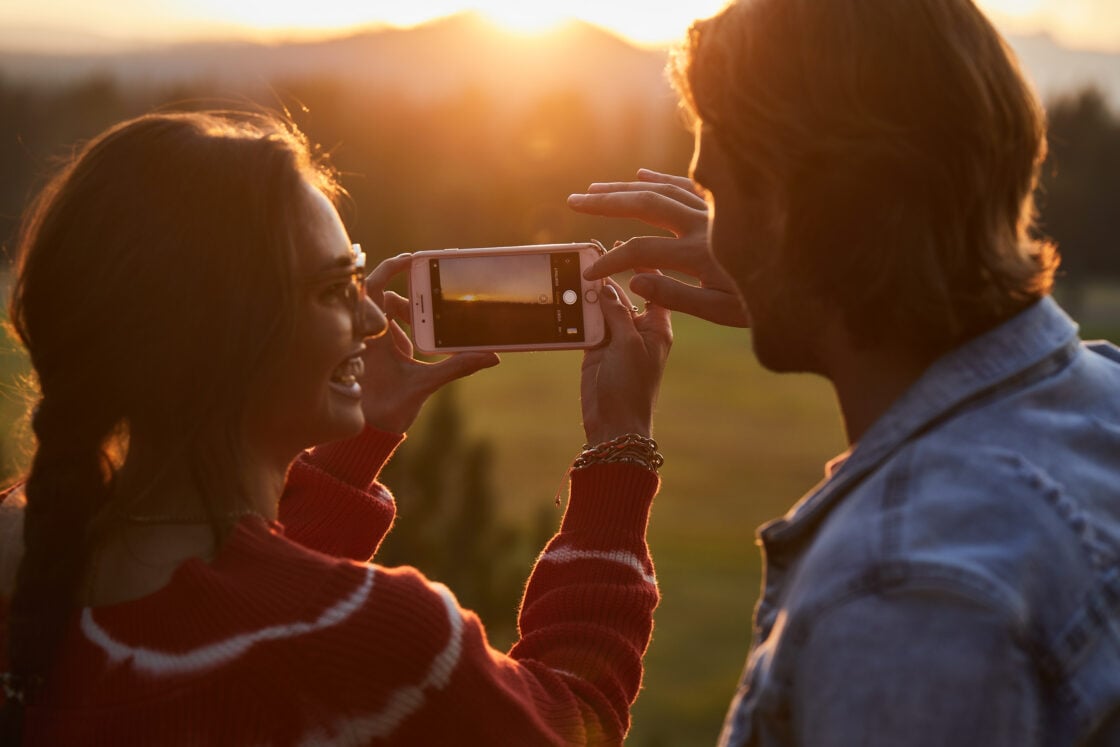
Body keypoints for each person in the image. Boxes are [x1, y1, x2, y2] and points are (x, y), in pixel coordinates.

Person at [0, 109, 673, 745]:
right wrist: (621, 445)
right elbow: (570, 723)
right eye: (332, 289)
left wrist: (352, 447)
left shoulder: (33, 563)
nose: (375, 318)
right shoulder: (372, 639)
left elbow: (231, 602)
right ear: (227, 341)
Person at [568, 0, 1120, 745]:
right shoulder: (1102, 394)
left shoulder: (899, 592)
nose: (712, 232)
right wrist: (775, 269)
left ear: (793, 209)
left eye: (716, 193)